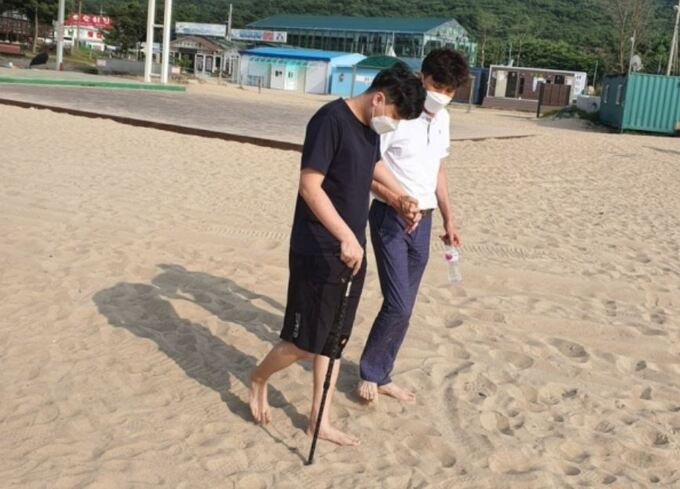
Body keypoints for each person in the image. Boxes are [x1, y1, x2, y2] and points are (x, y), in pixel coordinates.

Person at [248, 64, 426, 447]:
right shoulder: (329, 120)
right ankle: (259, 378)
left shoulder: (369, 127)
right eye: (394, 116)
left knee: (333, 341)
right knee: (304, 343)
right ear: (379, 98)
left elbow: (372, 168)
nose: (393, 124)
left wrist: (400, 198)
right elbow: (310, 186)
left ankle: (319, 420)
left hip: (352, 248)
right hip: (318, 246)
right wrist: (345, 235)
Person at [357, 48, 470, 403]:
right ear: (423, 77)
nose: (442, 96)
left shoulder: (443, 119)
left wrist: (449, 217)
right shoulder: (399, 114)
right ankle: (370, 373)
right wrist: (396, 200)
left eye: (450, 91)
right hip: (390, 217)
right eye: (438, 86)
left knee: (406, 304)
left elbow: (438, 169)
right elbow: (368, 167)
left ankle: (382, 373)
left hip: (425, 219)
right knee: (398, 303)